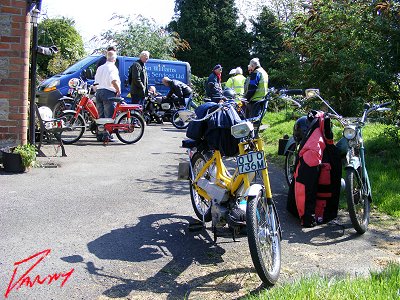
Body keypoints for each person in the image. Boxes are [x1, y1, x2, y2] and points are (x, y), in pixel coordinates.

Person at [94, 50, 121, 119]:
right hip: (108, 92)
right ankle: (108, 129)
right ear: (114, 59)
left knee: (100, 116)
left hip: (99, 92)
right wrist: (118, 90)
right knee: (109, 116)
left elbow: (95, 83)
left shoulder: (100, 68)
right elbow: (114, 81)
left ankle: (101, 128)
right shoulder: (113, 68)